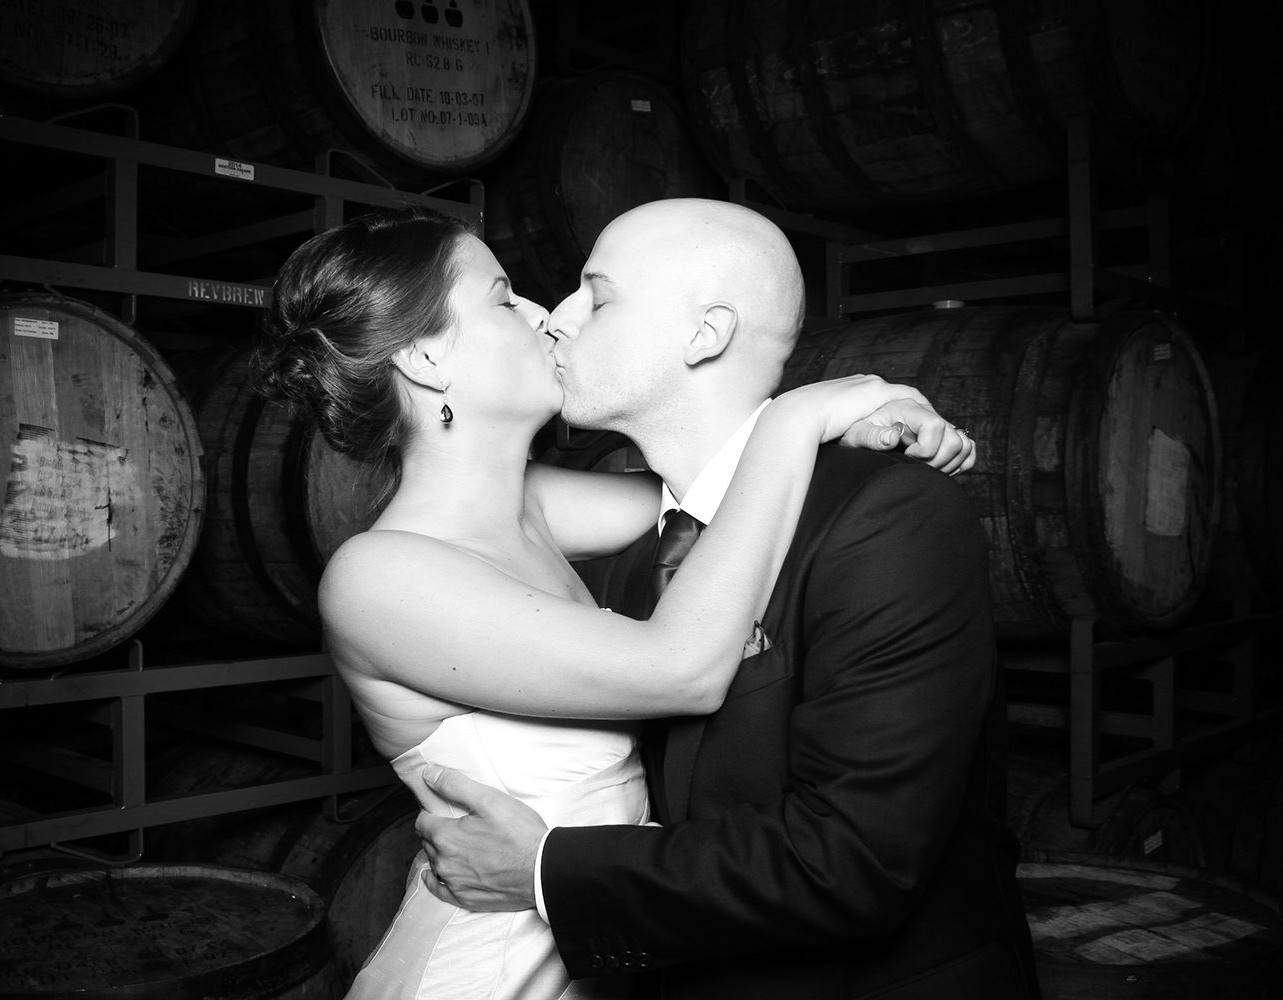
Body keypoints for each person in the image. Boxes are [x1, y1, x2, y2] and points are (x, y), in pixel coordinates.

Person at [251, 203, 974, 1000]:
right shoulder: (379, 577)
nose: (547, 316)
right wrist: (798, 417)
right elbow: (681, 665)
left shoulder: (546, 508)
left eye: (585, 296)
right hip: (495, 971)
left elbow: (715, 497)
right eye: (504, 298)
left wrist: (870, 417)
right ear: (424, 355)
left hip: (615, 948)